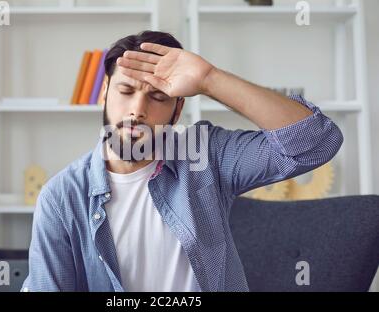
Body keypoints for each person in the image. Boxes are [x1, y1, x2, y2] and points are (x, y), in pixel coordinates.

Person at [21, 30, 343, 292]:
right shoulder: (61, 198)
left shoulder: (203, 154)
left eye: (157, 97)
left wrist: (209, 79)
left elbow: (316, 142)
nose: (137, 110)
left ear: (177, 111)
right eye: (125, 90)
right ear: (104, 92)